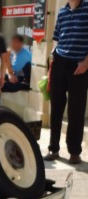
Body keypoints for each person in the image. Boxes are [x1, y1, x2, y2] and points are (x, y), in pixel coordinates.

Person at [44, 0, 88, 165]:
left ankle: (74, 152)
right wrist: (53, 57)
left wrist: (86, 63)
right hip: (60, 62)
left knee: (76, 110)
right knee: (56, 107)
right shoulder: (62, 12)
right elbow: (57, 37)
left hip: (79, 66)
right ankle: (53, 148)